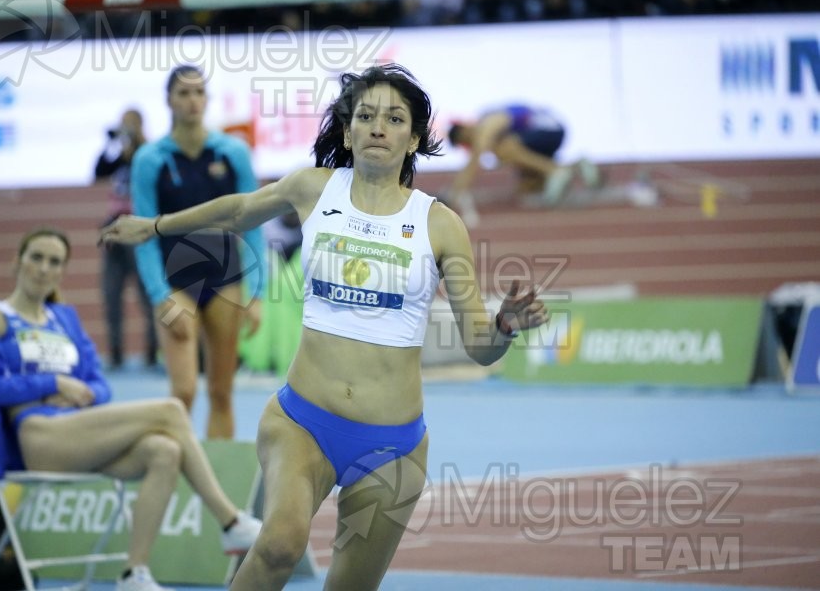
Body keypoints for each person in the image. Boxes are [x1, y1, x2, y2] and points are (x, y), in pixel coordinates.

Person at [101, 63, 549, 591]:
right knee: (278, 547)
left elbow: (480, 347)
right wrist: (154, 225)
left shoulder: (440, 224)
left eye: (395, 118)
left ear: (413, 140)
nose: (379, 126)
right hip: (302, 423)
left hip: (394, 447)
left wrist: (503, 326)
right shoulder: (313, 189)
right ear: (347, 130)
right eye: (366, 116)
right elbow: (238, 210)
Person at [0, 228, 262, 591]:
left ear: (61, 271)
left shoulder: (63, 319)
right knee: (172, 411)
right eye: (35, 257)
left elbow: (99, 386)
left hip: (80, 434)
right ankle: (229, 522)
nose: (43, 268)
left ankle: (134, 573)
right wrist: (53, 384)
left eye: (54, 261)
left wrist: (78, 392)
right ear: (18, 260)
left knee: (164, 450)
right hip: (36, 442)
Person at [131, 65, 266, 439]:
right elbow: (144, 233)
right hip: (177, 283)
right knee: (184, 392)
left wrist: (257, 293)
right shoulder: (150, 159)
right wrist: (159, 296)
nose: (193, 101)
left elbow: (252, 224)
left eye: (199, 93)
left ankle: (216, 486)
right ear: (169, 100)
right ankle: (173, 476)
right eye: (184, 93)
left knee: (221, 393)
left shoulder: (232, 152)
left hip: (225, 279)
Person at [447, 103, 601, 225]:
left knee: (506, 149)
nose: (467, 145)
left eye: (464, 141)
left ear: (465, 130)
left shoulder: (487, 124)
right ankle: (576, 165)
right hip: (541, 135)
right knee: (528, 189)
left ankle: (555, 170)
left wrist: (455, 193)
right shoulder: (487, 125)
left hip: (549, 130)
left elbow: (474, 162)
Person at [93, 108, 159, 369]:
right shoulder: (118, 155)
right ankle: (116, 353)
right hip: (114, 229)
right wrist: (111, 143)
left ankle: (152, 353)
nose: (126, 129)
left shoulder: (147, 153)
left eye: (130, 124)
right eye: (123, 124)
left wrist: (136, 140)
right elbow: (98, 171)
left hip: (139, 228)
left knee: (147, 293)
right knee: (111, 292)